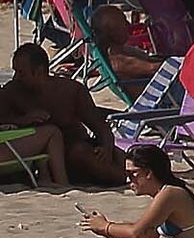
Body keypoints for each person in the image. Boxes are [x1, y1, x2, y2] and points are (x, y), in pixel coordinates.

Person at [0, 42, 120, 185]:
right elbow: (3, 122)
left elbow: (99, 125)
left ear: (39, 71)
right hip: (44, 158)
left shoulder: (71, 91)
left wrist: (106, 147)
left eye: (21, 73)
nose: (16, 77)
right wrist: (23, 120)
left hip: (75, 148)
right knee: (80, 152)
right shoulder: (12, 91)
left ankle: (131, 180)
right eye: (15, 71)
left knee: (115, 155)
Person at [88, 4, 164, 89]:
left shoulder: (119, 52)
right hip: (159, 94)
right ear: (113, 32)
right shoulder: (118, 59)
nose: (128, 24)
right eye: (124, 21)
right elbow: (153, 68)